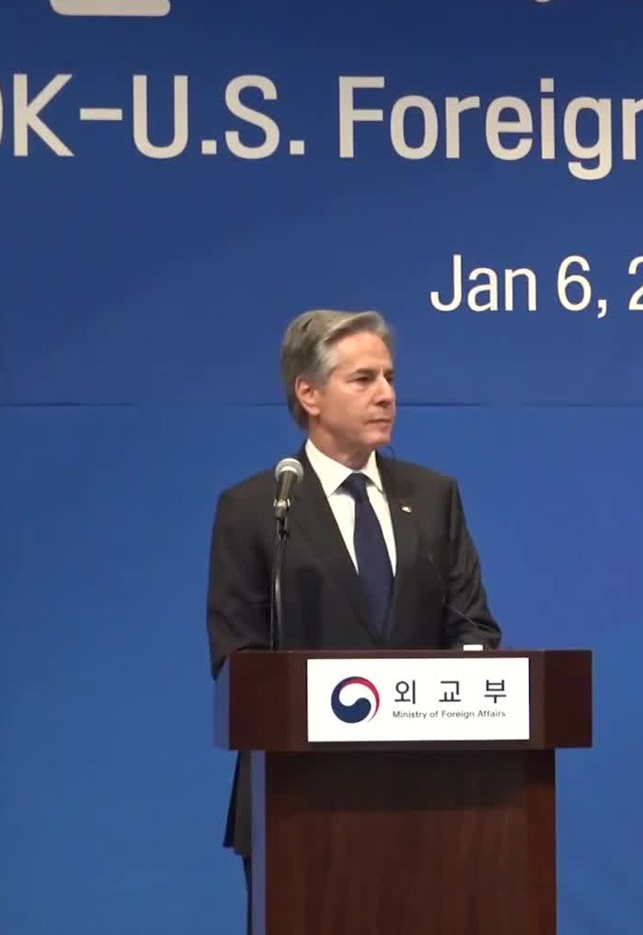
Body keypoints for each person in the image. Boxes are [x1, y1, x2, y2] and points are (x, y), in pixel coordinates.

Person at [204, 309, 502, 925]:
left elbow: (473, 625)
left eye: (390, 377)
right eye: (363, 379)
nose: (386, 394)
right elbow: (237, 657)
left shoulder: (433, 497)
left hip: (426, 798)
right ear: (308, 394)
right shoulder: (259, 509)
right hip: (296, 801)